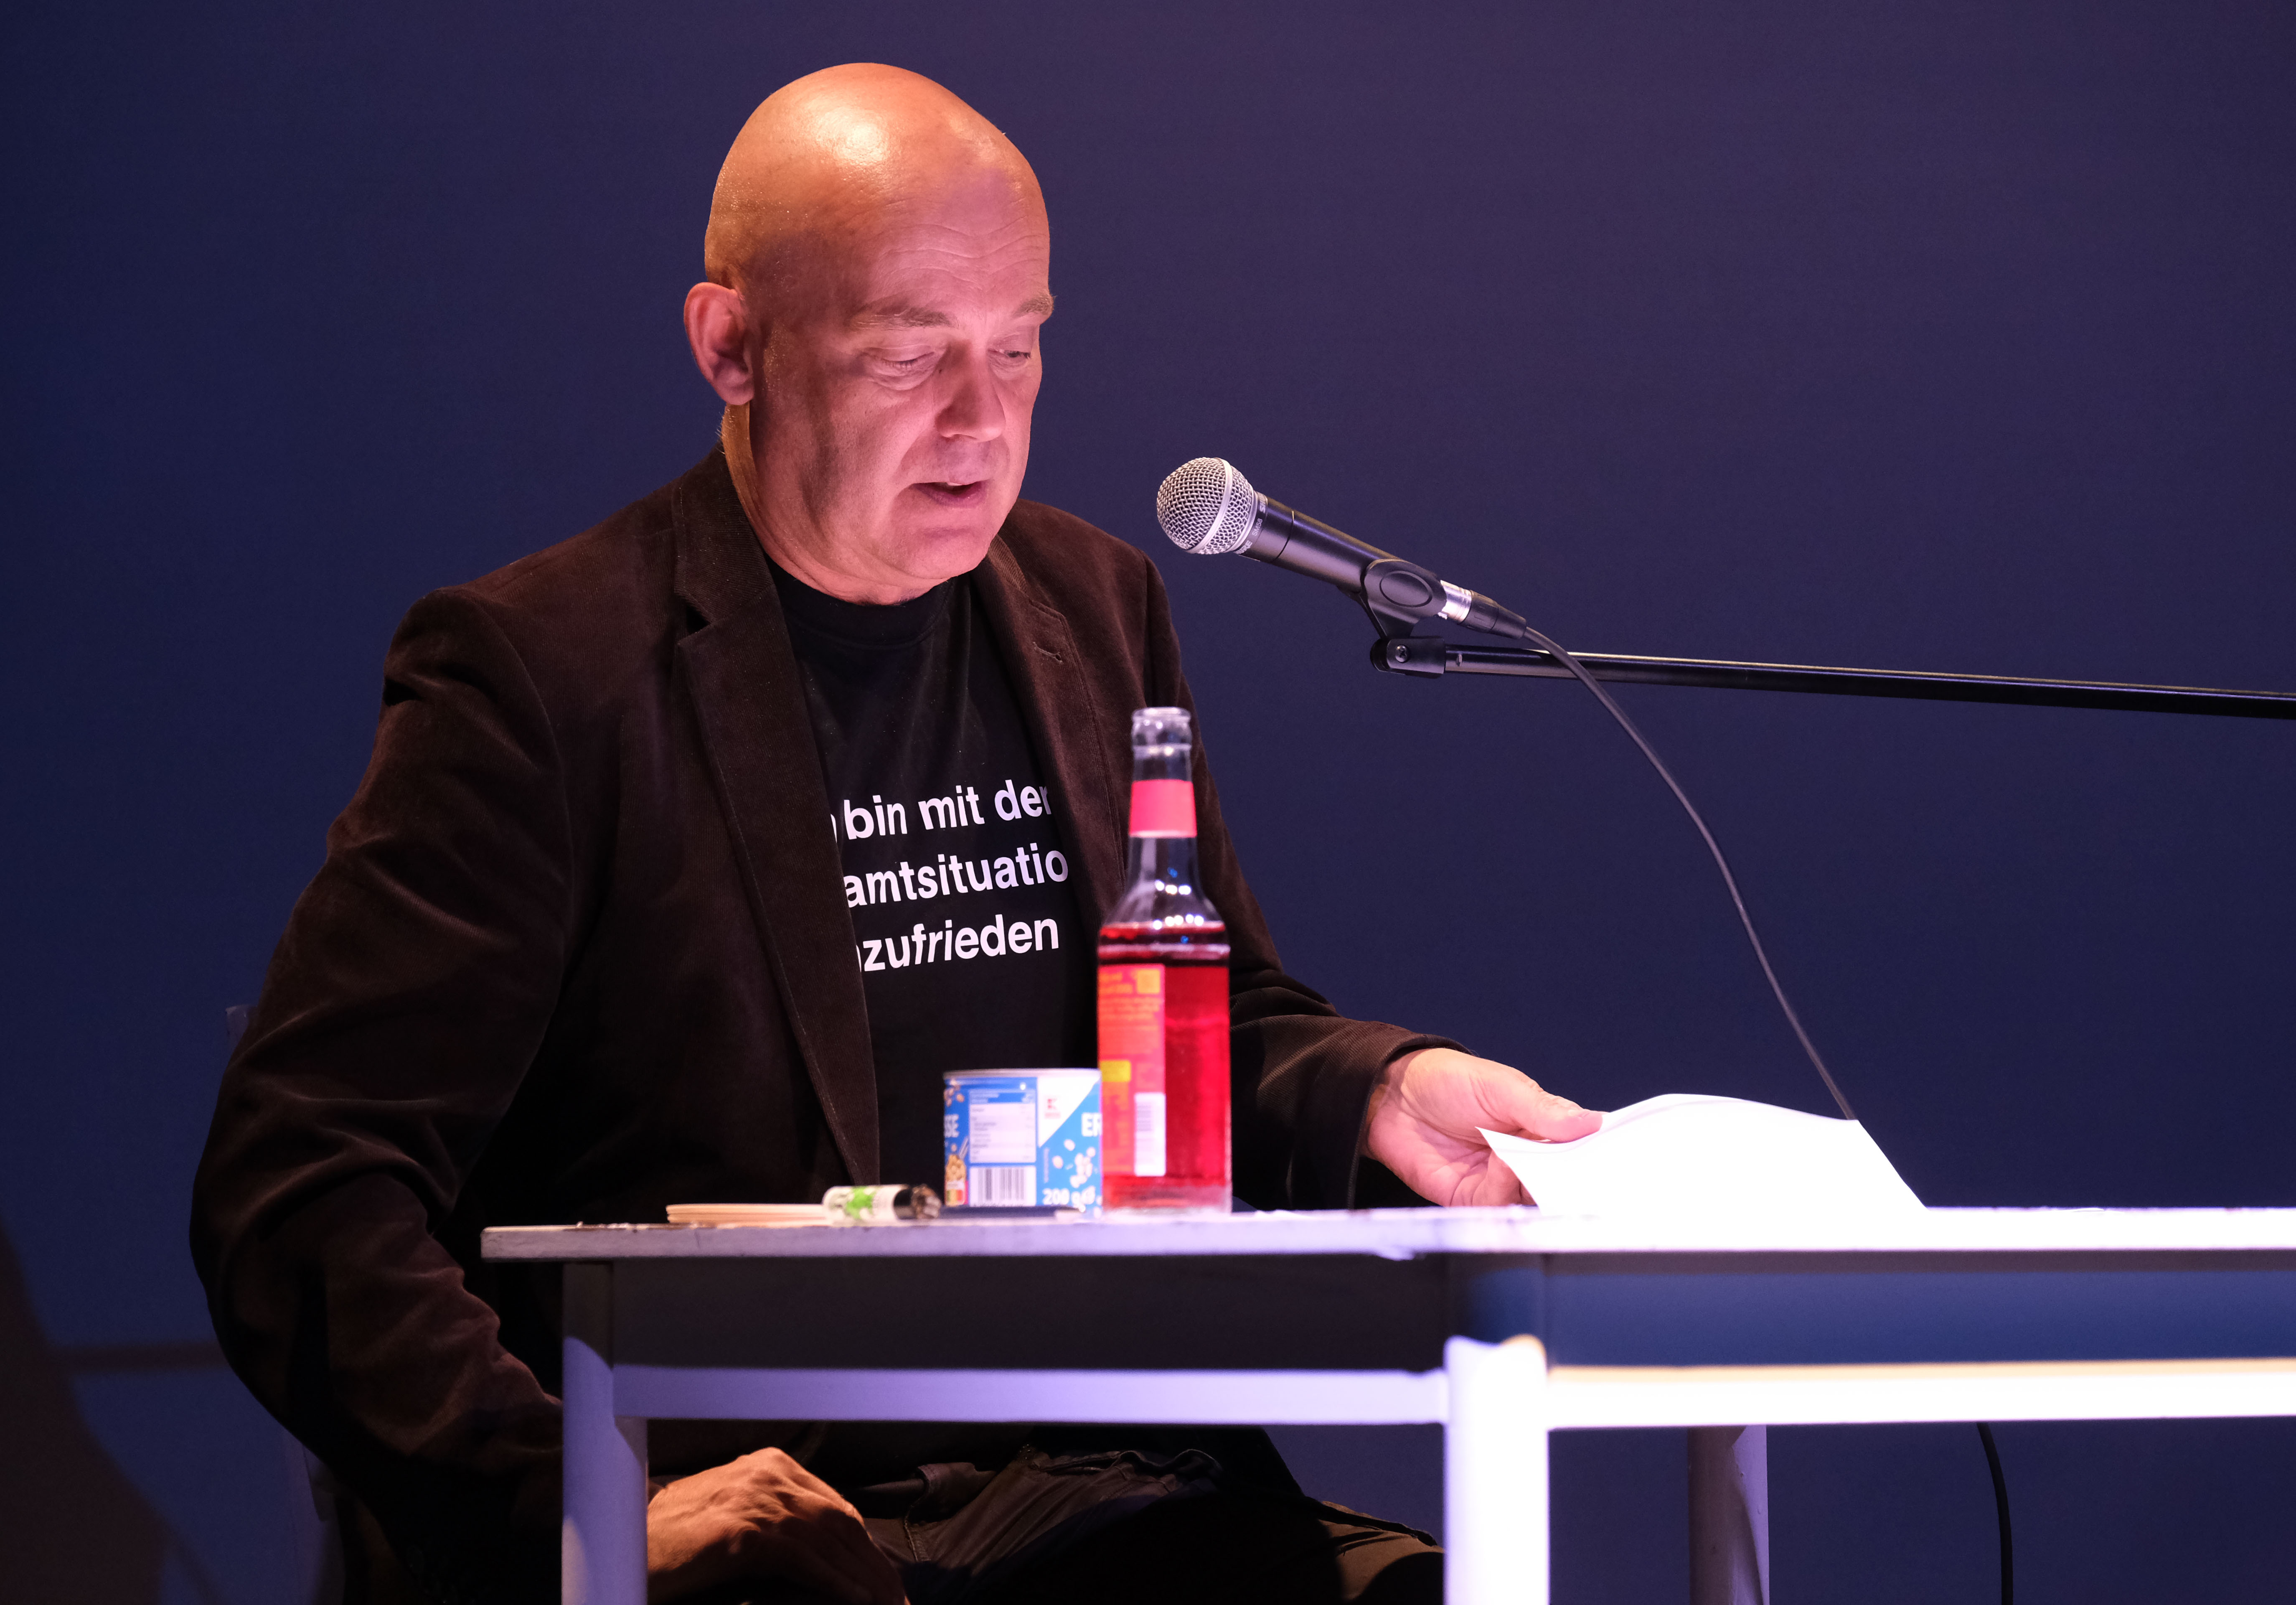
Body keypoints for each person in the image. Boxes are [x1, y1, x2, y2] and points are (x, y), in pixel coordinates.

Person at [191, 63, 1598, 1605]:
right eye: (909, 354)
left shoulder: (1096, 608)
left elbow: (1203, 1018)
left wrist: (1376, 1090)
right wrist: (576, 1505)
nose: (982, 419)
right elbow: (303, 1182)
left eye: (1019, 346)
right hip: (761, 1505)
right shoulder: (545, 675)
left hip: (1102, 1481)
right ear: (731, 346)